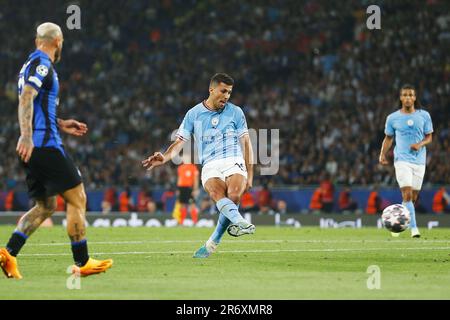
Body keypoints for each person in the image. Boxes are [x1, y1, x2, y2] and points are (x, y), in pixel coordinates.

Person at [0, 23, 112, 279]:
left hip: (34, 145)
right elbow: (27, 97)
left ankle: (8, 253)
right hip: (44, 146)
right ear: (58, 41)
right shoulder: (42, 64)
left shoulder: (29, 64)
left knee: (46, 205)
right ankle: (82, 262)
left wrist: (61, 123)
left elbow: (36, 103)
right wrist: (27, 136)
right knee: (77, 197)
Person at [142, 73, 255, 258]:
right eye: (223, 91)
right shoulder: (193, 114)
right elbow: (178, 142)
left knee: (233, 196)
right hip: (210, 164)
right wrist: (163, 157)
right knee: (218, 195)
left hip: (233, 159)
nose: (226, 96)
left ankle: (228, 231)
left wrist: (250, 175)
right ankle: (229, 230)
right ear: (212, 90)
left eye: (230, 92)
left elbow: (246, 143)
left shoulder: (236, 112)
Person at [379, 84, 433, 238]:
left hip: (420, 161)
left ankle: (396, 223)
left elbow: (429, 136)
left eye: (410, 95)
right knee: (407, 195)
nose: (408, 97)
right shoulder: (392, 118)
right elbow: (388, 138)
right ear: (401, 98)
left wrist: (420, 144)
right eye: (405, 95)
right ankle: (414, 229)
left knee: (412, 198)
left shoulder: (424, 115)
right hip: (402, 160)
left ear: (415, 98)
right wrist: (382, 154)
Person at [174, 154, 200, 224]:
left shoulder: (193, 167)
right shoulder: (180, 168)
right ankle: (181, 222)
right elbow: (179, 179)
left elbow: (196, 180)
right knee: (182, 205)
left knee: (192, 205)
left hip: (189, 188)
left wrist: (195, 189)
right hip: (182, 189)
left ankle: (195, 222)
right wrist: (178, 189)